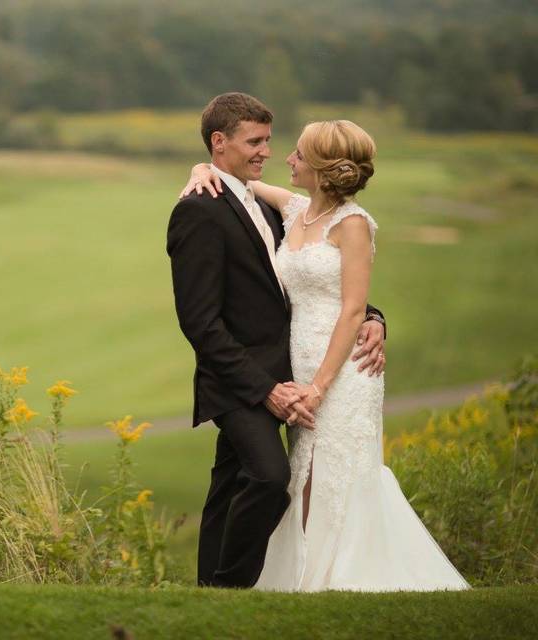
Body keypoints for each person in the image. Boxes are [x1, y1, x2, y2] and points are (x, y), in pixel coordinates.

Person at [179, 107, 469, 591]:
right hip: (289, 368)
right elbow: (239, 195)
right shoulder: (294, 209)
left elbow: (351, 306)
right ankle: (276, 580)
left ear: (321, 167)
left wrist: (362, 335)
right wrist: (201, 167)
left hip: (335, 373)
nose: (280, 155)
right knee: (290, 476)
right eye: (260, 142)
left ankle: (337, 576)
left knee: (335, 474)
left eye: (293, 150)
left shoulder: (351, 222)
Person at [167, 92, 387, 589]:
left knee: (229, 484)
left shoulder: (276, 207)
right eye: (256, 142)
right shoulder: (199, 211)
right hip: (240, 378)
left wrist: (374, 318)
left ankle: (211, 592)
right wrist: (265, 387)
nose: (268, 151)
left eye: (270, 140)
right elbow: (200, 322)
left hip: (294, 370)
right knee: (269, 477)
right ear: (220, 143)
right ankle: (232, 587)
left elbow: (313, 288)